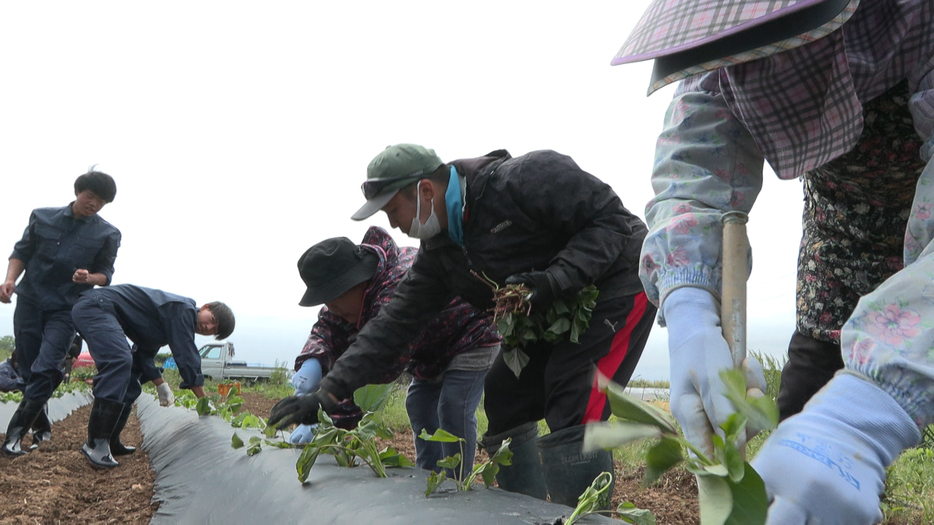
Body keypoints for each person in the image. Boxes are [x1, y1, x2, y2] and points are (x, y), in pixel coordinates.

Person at [612, 0, 933, 522]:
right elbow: (691, 173)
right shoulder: (723, 50)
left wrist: (864, 417)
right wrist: (690, 307)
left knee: (854, 424)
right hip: (841, 244)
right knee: (804, 425)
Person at [270, 143, 655, 506]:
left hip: (618, 279)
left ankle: (583, 515)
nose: (395, 225)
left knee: (573, 395)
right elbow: (392, 326)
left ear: (423, 191)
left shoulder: (523, 179)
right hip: (552, 308)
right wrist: (328, 392)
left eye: (392, 212)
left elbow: (612, 224)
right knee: (504, 396)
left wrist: (554, 279)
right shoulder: (442, 255)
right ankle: (530, 514)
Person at [288, 225, 500, 478]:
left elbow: (381, 359)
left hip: (472, 335)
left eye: (337, 303)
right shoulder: (349, 300)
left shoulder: (394, 287)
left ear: (357, 282)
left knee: (453, 406)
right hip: (430, 352)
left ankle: (458, 483)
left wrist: (327, 410)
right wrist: (313, 359)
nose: (334, 310)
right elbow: (326, 328)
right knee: (419, 405)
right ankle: (427, 476)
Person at [1, 168, 120, 456]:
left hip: (67, 308)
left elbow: (105, 274)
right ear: (78, 191)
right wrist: (9, 280)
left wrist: (88, 278)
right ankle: (42, 428)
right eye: (90, 196)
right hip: (30, 300)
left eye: (100, 202)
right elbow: (21, 252)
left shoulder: (107, 234)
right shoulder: (41, 217)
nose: (93, 204)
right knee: (29, 370)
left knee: (48, 367)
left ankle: (13, 437)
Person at [70, 283, 234, 468]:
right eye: (211, 319)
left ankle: (111, 441)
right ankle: (95, 443)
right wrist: (203, 400)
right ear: (205, 307)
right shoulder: (182, 310)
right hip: (95, 307)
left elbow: (143, 355)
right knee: (119, 360)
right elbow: (186, 355)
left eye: (214, 329)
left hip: (101, 310)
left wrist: (160, 383)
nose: (208, 326)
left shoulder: (166, 324)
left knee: (132, 377)